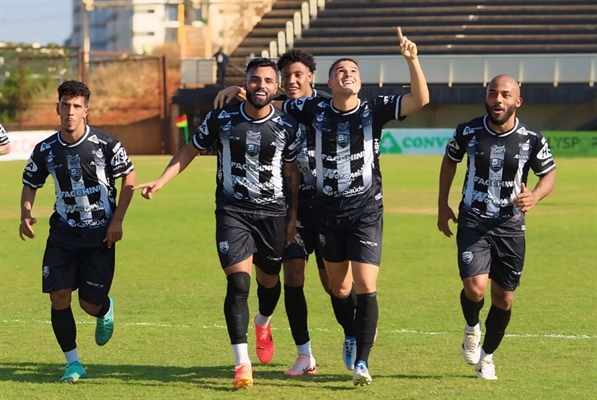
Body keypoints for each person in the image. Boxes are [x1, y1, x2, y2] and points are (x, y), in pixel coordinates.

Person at [135, 58, 301, 389]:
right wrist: (161, 181)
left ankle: (263, 322)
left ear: (276, 87)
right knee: (239, 283)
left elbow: (292, 173)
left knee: (269, 283)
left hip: (273, 213)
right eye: (255, 80)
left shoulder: (287, 125)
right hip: (232, 211)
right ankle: (242, 364)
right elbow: (189, 150)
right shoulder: (222, 118)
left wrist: (293, 218)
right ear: (247, 83)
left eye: (268, 81)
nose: (261, 86)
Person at [280, 29, 429, 386]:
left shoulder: (373, 108)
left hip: (366, 209)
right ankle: (351, 332)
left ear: (360, 83)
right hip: (327, 213)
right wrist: (236, 93)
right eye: (341, 71)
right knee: (340, 288)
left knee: (365, 284)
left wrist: (412, 59)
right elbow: (267, 101)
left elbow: (419, 100)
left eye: (354, 71)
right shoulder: (309, 107)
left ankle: (362, 363)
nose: (348, 74)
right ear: (328, 83)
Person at [214, 49, 360, 376]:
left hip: (326, 207)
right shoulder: (279, 109)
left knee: (337, 286)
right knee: (293, 276)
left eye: (298, 75)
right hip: (289, 206)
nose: (292, 81)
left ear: (311, 76)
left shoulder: (326, 106)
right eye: (287, 76)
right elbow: (259, 102)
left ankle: (354, 331)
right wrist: (235, 92)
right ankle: (304, 354)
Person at [437, 74, 557, 380]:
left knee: (504, 298)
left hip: (511, 226)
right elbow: (450, 160)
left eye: (505, 95)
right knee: (475, 289)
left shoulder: (531, 137)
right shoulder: (468, 130)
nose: (498, 100)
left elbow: (549, 175)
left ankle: (487, 357)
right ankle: (472, 327)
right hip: (473, 219)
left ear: (517, 101)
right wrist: (442, 204)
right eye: (493, 94)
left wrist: (536, 195)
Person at [19, 80, 136, 383]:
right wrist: (26, 214)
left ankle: (105, 308)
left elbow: (130, 178)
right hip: (63, 234)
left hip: (100, 235)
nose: (70, 112)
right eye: (65, 106)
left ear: (86, 110)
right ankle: (73, 363)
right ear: (57, 108)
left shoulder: (106, 144)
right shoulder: (45, 149)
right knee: (58, 296)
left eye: (76, 107)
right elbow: (31, 182)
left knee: (89, 304)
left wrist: (117, 220)